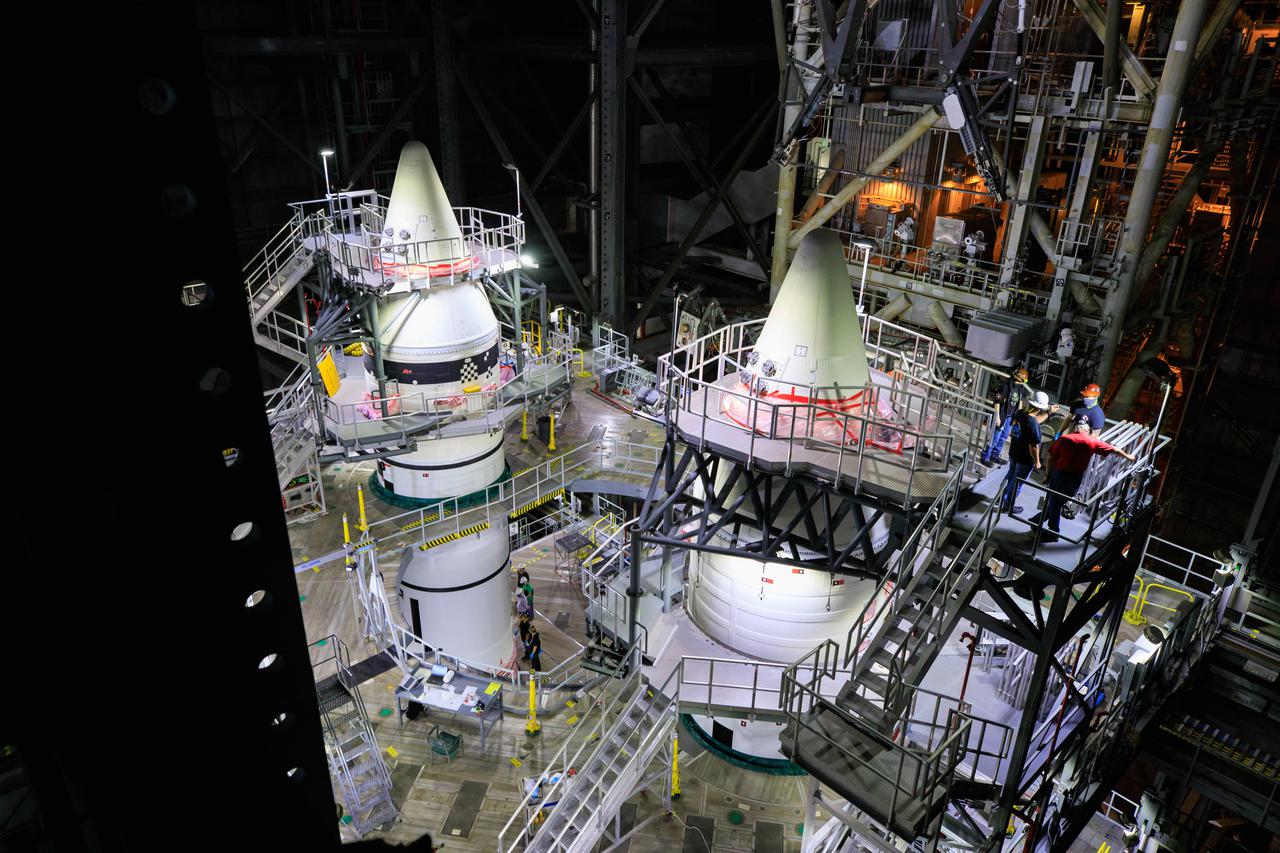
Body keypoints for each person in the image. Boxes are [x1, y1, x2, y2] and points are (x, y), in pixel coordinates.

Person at [1034, 418, 1137, 541]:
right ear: (1087, 431)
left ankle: (1053, 531)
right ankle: (1037, 520)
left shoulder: (1064, 439)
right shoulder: (1092, 442)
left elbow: (1050, 458)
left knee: (1055, 502)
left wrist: (1047, 475)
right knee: (1057, 502)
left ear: (1076, 428)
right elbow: (1114, 449)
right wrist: (1128, 456)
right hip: (1076, 478)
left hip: (1060, 474)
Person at [1001, 391, 1058, 514]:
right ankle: (1007, 505)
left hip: (1014, 453)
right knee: (1017, 483)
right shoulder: (1033, 425)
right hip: (1025, 459)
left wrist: (1048, 412)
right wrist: (1037, 461)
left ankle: (1001, 498)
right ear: (1039, 408)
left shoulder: (1020, 413)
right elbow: (1033, 446)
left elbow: (1033, 419)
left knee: (1010, 476)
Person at [981, 366, 1033, 466]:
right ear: (1020, 378)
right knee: (994, 438)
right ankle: (985, 457)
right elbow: (997, 402)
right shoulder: (1005, 387)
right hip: (1002, 416)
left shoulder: (1021, 388)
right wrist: (997, 417)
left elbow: (1020, 402)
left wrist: (1017, 417)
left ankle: (995, 455)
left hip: (1010, 417)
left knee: (1003, 437)